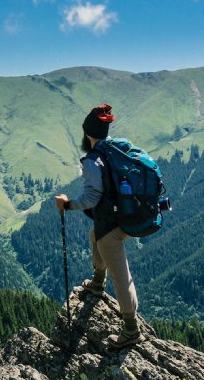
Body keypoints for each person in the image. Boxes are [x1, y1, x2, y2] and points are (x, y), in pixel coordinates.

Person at [54, 104, 141, 349]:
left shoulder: (94, 160)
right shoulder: (114, 148)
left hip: (112, 224)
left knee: (121, 276)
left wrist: (67, 204)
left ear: (87, 133)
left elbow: (91, 198)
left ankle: (131, 330)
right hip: (124, 215)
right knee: (95, 235)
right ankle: (97, 281)